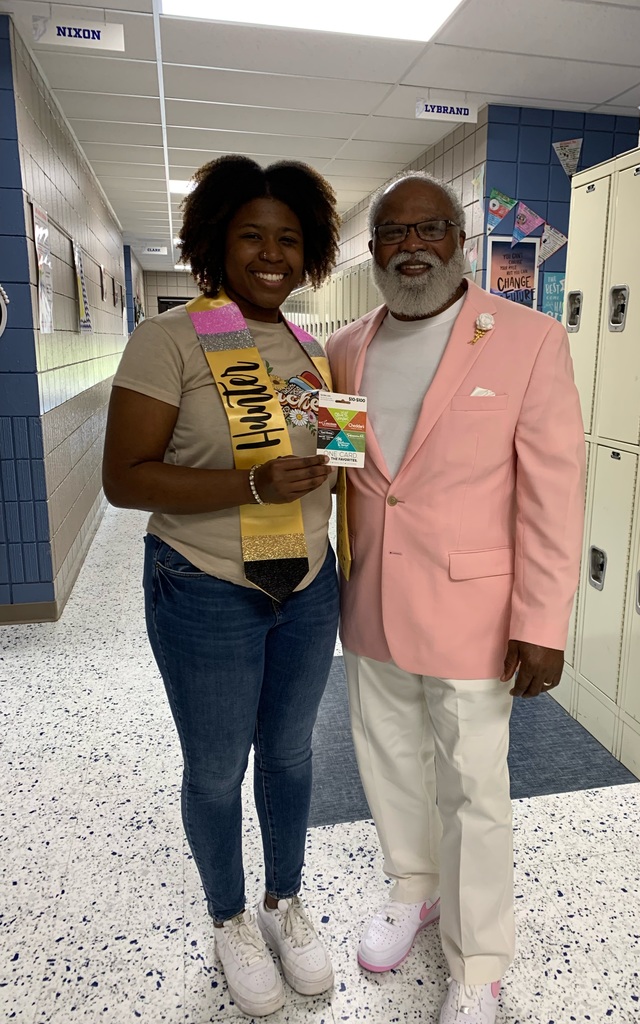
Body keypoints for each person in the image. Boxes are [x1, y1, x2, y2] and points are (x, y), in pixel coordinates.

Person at [327, 171, 585, 1024]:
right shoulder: (346, 348)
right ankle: (414, 888)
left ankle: (478, 964)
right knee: (389, 761)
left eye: (429, 228)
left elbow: (552, 494)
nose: (412, 247)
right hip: (372, 598)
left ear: (460, 239)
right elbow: (346, 473)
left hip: (476, 611)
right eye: (393, 233)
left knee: (474, 787)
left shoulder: (528, 340)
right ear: (373, 251)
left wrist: (542, 622)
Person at [102, 156, 341, 1019]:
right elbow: (124, 478)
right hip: (206, 584)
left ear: (310, 253)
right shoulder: (169, 339)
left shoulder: (312, 349)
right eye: (252, 236)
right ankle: (230, 917)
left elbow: (326, 457)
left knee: (291, 754)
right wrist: (251, 485)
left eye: (289, 239)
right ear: (216, 243)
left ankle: (284, 900)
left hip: (307, 583)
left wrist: (340, 466)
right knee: (215, 767)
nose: (272, 254)